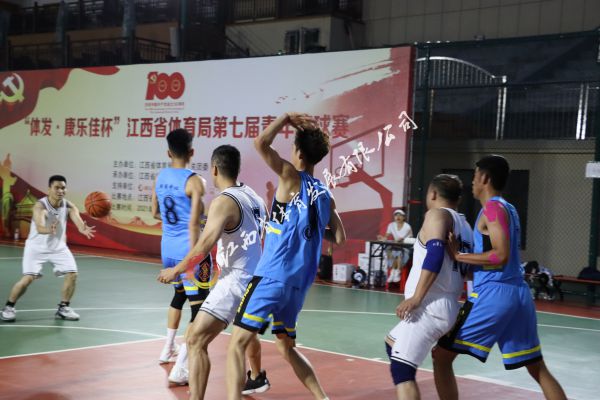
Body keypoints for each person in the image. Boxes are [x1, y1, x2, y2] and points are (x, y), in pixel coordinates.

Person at [226, 112, 346, 400]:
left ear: (299, 153)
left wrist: (286, 118)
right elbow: (340, 237)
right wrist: (312, 231)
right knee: (286, 347)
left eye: (293, 147)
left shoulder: (291, 176)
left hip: (271, 275)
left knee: (236, 345)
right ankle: (322, 398)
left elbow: (260, 143)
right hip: (298, 287)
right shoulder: (325, 194)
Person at [433, 155, 567, 400]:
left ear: (484, 178)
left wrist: (459, 255)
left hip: (494, 294)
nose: (472, 181)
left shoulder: (492, 208)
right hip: (518, 294)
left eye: (475, 176)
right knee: (537, 368)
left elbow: (500, 255)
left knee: (440, 357)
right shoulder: (509, 208)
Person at [158, 144, 270, 399]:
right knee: (245, 333)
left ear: (215, 169)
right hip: (258, 280)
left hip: (236, 280)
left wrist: (177, 269)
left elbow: (205, 244)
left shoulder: (224, 201)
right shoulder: (255, 198)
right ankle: (256, 376)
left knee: (195, 339)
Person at [385, 174, 472, 400]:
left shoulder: (436, 215)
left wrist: (416, 297)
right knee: (392, 343)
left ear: (432, 194)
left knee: (402, 370)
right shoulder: (466, 226)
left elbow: (434, 256)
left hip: (429, 305)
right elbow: (466, 268)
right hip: (449, 304)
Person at [151, 128, 209, 385]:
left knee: (179, 295)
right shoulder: (195, 181)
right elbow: (194, 224)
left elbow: (155, 212)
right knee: (199, 309)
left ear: (168, 152)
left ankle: (167, 349)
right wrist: (194, 257)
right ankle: (181, 367)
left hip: (168, 249)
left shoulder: (160, 176)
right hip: (188, 250)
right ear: (191, 151)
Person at [0, 175, 95, 322]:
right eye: (57, 187)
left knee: (72, 274)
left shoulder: (69, 206)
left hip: (58, 247)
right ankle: (8, 307)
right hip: (36, 248)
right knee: (28, 279)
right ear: (49, 189)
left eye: (63, 188)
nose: (60, 191)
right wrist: (48, 230)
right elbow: (39, 227)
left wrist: (83, 228)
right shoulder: (40, 206)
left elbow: (77, 220)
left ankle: (63, 308)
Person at [378, 209, 413, 284]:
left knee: (399, 252)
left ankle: (397, 271)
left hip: (405, 247)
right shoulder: (391, 225)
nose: (398, 217)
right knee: (388, 250)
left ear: (404, 217)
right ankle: (393, 271)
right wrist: (382, 238)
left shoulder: (407, 226)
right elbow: (386, 236)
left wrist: (402, 239)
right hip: (395, 246)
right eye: (396, 215)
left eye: (400, 215)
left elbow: (409, 238)